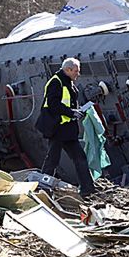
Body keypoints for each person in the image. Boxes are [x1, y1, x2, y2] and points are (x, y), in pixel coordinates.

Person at [40, 57, 95, 197]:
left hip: (68, 129)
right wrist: (71, 112)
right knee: (53, 160)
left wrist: (77, 112)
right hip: (57, 128)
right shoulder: (56, 82)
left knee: (80, 158)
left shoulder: (69, 83)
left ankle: (88, 189)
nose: (78, 74)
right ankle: (42, 188)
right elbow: (53, 104)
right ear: (68, 69)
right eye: (76, 71)